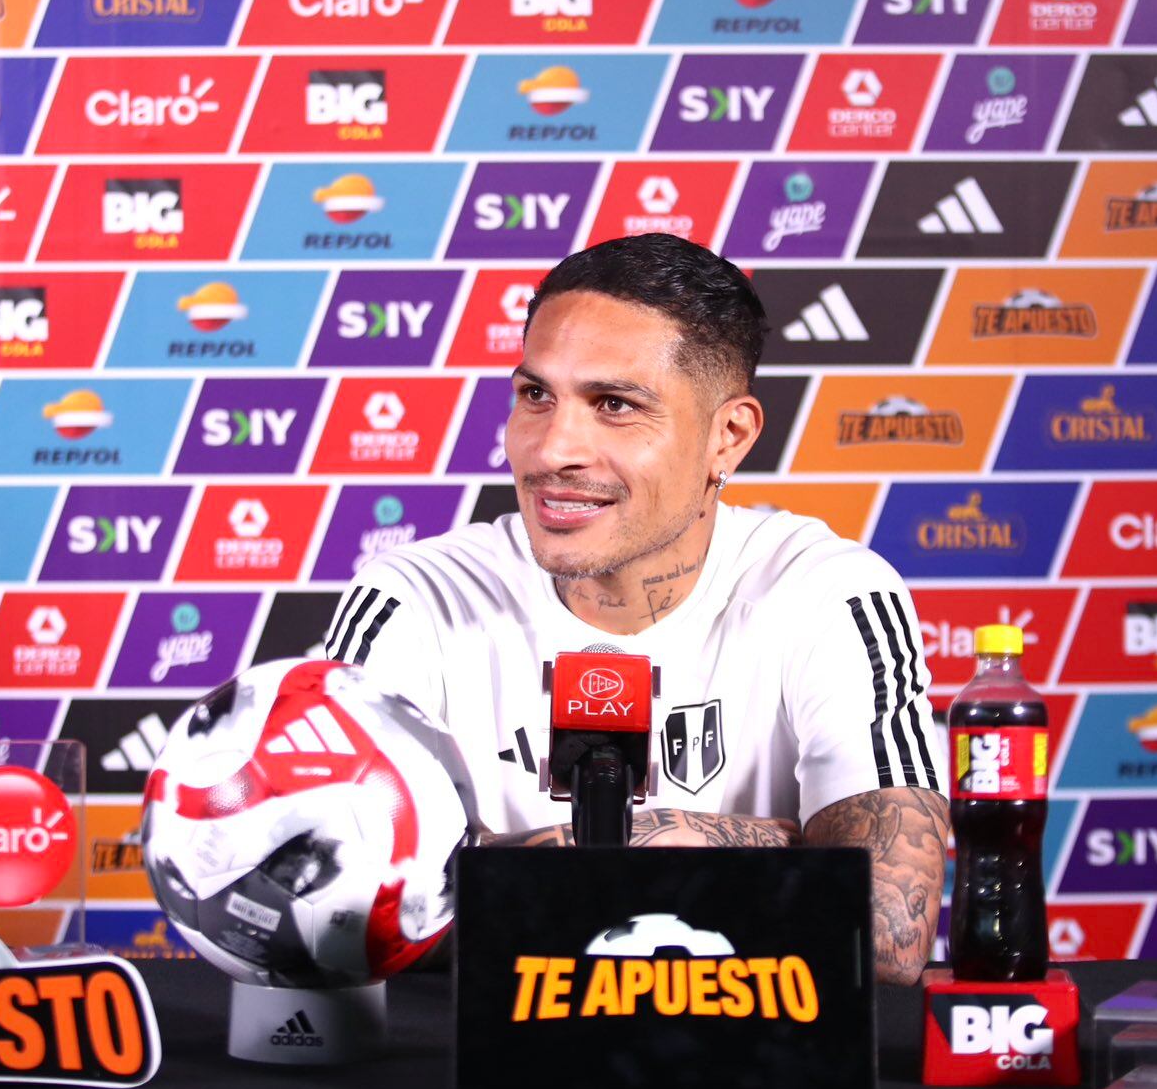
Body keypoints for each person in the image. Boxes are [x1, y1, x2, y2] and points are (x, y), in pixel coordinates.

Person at [322, 234, 946, 984]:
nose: (552, 449)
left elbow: (890, 932)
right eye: (535, 396)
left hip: (755, 1077)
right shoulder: (414, 598)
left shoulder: (826, 592)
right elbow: (342, 900)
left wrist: (496, 865)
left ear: (729, 436)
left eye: (614, 405)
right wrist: (762, 844)